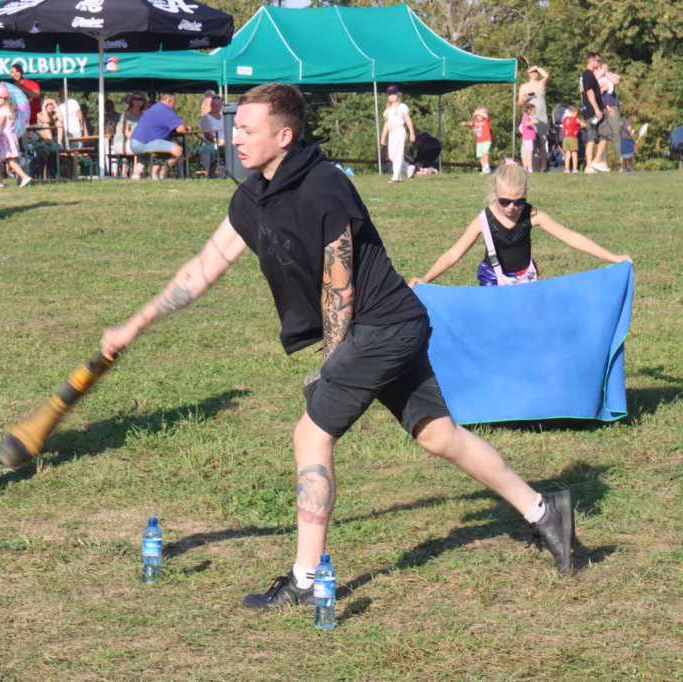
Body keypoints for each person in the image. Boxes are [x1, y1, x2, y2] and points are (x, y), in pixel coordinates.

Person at [101, 83, 580, 611]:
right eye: (236, 127)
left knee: (310, 435)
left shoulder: (323, 187)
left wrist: (329, 368)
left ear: (283, 135)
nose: (235, 137)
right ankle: (544, 509)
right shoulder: (252, 197)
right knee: (438, 436)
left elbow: (339, 284)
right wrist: (135, 324)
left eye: (248, 129)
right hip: (388, 324)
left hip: (381, 326)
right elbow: (203, 267)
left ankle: (306, 580)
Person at [409, 163, 631, 287]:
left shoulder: (533, 216)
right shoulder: (483, 221)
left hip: (526, 280)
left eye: (519, 201)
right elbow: (453, 254)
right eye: (505, 201)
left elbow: (572, 238)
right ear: (495, 194)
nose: (512, 207)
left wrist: (614, 257)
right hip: (493, 282)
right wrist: (426, 278)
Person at [129, 92, 189, 180]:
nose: (174, 105)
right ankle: (163, 172)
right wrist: (186, 127)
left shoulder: (154, 108)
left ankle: (138, 175)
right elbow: (181, 129)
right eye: (174, 102)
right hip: (146, 142)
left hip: (134, 142)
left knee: (149, 157)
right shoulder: (166, 110)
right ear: (169, 101)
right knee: (178, 150)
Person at [0, 84, 32, 188]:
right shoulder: (6, 109)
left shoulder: (4, 109)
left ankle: (24, 176)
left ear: (5, 98)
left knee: (9, 160)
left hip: (5, 138)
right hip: (5, 137)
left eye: (0, 98)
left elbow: (0, 122)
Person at [581, 51, 611, 173]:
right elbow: (589, 92)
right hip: (593, 111)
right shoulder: (588, 75)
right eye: (598, 61)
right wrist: (597, 109)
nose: (599, 64)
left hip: (590, 110)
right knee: (606, 133)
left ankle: (589, 167)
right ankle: (597, 161)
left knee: (592, 138)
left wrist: (605, 107)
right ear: (591, 61)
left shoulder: (589, 75)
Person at [380, 85, 415, 183]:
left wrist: (412, 133)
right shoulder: (387, 110)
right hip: (392, 133)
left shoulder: (402, 107)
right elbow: (386, 124)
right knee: (392, 156)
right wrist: (383, 137)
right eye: (390, 94)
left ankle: (396, 177)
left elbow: (408, 120)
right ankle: (409, 169)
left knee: (398, 154)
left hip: (399, 130)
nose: (392, 96)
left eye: (394, 94)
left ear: (398, 95)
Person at [518, 65, 550, 172]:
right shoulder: (524, 86)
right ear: (528, 73)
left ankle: (544, 167)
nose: (534, 73)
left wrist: (537, 67)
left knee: (542, 141)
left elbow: (547, 75)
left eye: (536, 72)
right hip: (528, 117)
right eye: (532, 72)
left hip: (541, 117)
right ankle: (526, 167)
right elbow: (520, 103)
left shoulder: (541, 83)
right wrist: (524, 99)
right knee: (527, 142)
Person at [111, 91, 144, 177]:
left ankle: (141, 172)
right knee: (141, 149)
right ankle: (137, 174)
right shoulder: (126, 114)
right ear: (131, 101)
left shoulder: (143, 115)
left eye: (140, 99)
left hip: (138, 142)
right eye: (135, 99)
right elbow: (125, 132)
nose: (138, 101)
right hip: (122, 143)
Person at [597, 61, 622, 164]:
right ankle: (603, 164)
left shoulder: (611, 76)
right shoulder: (595, 77)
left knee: (616, 134)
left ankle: (623, 163)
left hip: (612, 106)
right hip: (600, 108)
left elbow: (616, 81)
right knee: (602, 135)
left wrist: (606, 73)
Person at [460, 106, 492, 174]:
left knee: (485, 152)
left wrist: (479, 112)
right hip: (479, 141)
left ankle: (487, 166)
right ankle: (483, 169)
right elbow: (471, 123)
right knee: (481, 155)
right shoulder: (476, 122)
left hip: (486, 140)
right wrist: (465, 123)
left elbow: (486, 116)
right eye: (477, 115)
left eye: (479, 115)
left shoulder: (486, 120)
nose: (478, 116)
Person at [199, 95, 225, 178]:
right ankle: (214, 173)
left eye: (218, 104)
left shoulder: (224, 117)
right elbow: (208, 135)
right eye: (214, 104)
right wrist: (219, 140)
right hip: (211, 144)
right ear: (211, 105)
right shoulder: (206, 118)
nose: (216, 106)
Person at [519, 104, 539, 172]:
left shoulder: (526, 117)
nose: (534, 112)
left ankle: (528, 168)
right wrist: (533, 121)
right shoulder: (526, 117)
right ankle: (530, 168)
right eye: (533, 110)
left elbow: (521, 128)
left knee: (528, 153)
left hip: (527, 138)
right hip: (528, 138)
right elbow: (526, 124)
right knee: (529, 153)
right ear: (529, 110)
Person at [561, 106, 580, 173]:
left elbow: (563, 125)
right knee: (574, 153)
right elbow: (582, 124)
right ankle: (575, 168)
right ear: (576, 112)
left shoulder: (565, 118)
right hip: (573, 137)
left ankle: (566, 168)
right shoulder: (576, 118)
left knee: (567, 154)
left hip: (565, 137)